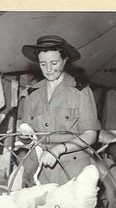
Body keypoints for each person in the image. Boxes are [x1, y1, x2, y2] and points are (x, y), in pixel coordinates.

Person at [18, 35, 101, 187]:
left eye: (54, 63)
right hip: (40, 169)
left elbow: (90, 135)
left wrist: (59, 149)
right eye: (43, 64)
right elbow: (28, 135)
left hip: (71, 167)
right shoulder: (32, 92)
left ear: (65, 60)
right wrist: (24, 135)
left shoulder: (80, 90)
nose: (48, 69)